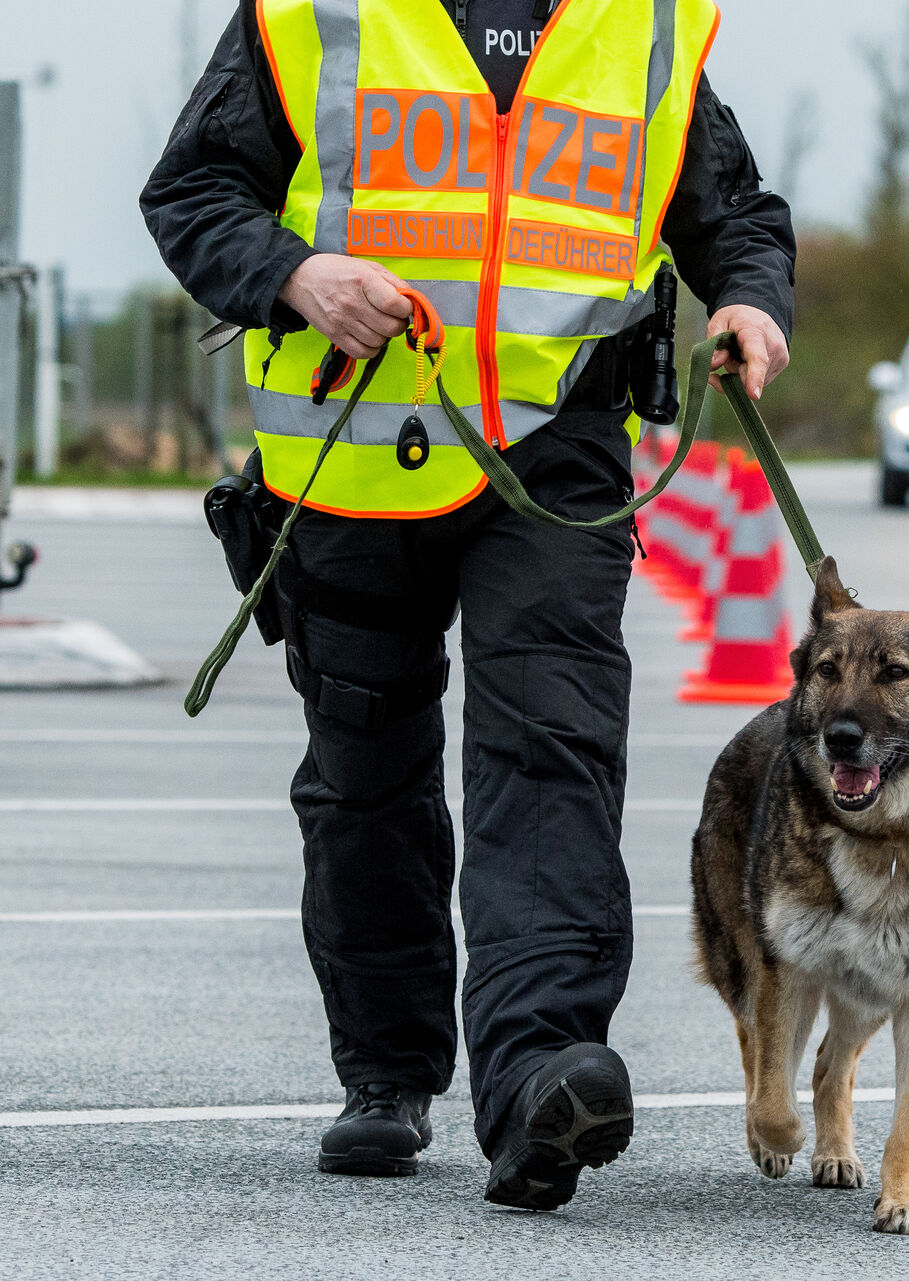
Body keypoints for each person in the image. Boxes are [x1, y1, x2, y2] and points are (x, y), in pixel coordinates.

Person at [141, 0, 794, 1210]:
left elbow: (730, 208)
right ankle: (387, 1073)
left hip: (555, 455)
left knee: (551, 753)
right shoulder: (312, 16)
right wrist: (295, 274)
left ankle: (540, 1075)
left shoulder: (640, 25)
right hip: (349, 451)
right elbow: (191, 195)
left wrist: (750, 298)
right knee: (365, 775)